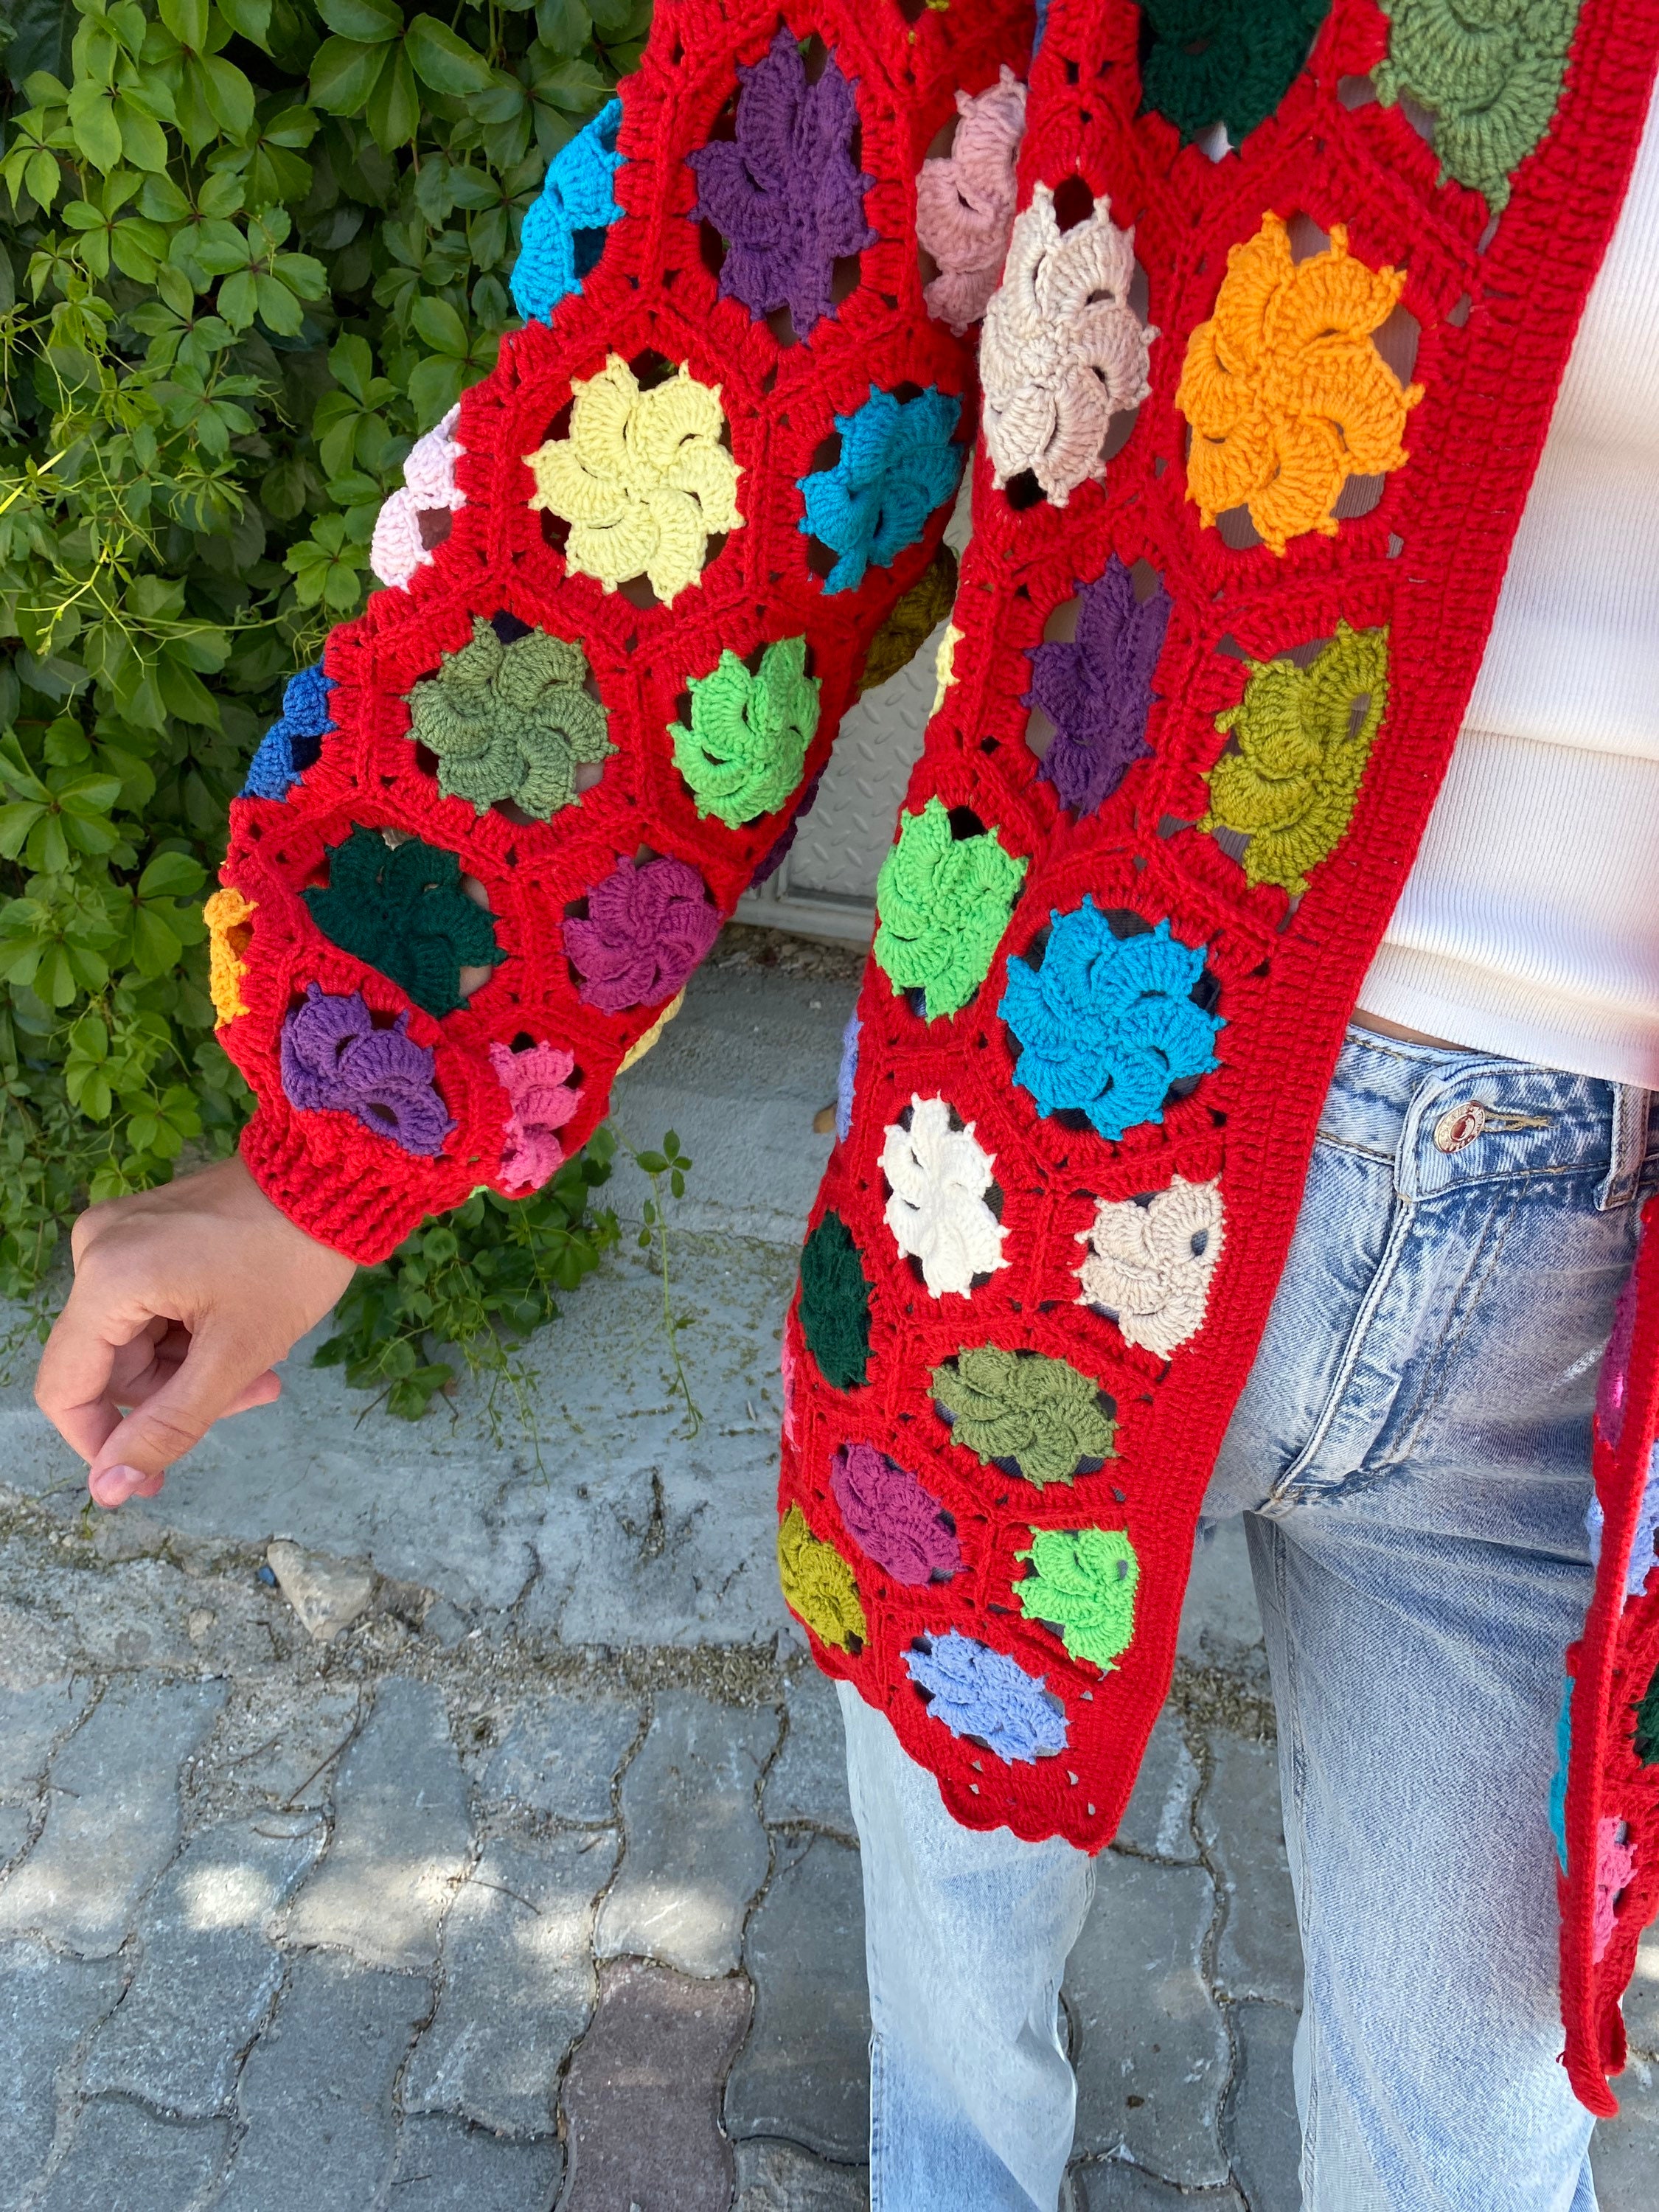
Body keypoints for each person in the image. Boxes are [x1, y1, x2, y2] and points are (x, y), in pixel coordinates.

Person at [32, 3, 1659, 2206]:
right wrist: (336, 1151)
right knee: (952, 2086)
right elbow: (730, 360)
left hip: (1584, 1333)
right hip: (1053, 1145)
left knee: (1473, 2151)